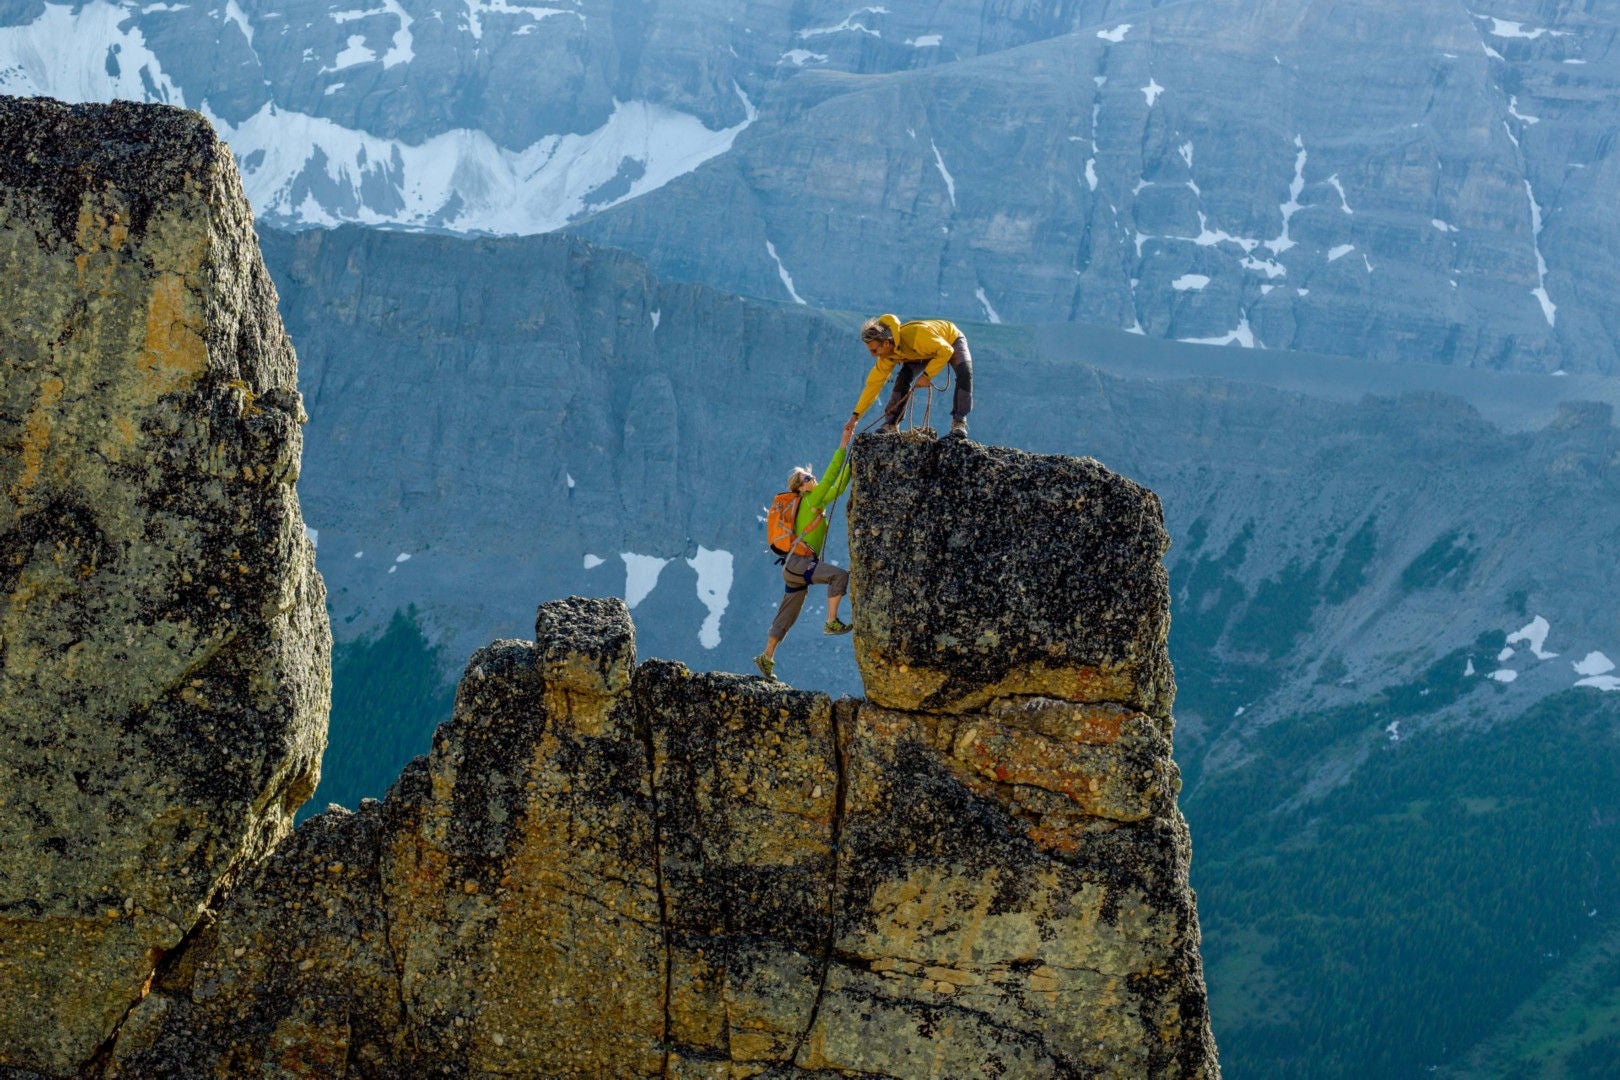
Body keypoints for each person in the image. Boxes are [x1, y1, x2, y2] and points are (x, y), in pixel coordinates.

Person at [754, 417, 858, 681]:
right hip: (800, 564)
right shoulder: (811, 500)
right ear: (800, 488)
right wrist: (844, 445)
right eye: (808, 477)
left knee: (787, 614)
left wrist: (854, 466)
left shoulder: (810, 501)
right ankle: (831, 622)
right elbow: (834, 476)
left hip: (792, 567)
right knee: (839, 576)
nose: (813, 478)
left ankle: (766, 657)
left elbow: (839, 485)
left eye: (810, 475)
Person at [851, 313, 973, 439]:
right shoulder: (887, 357)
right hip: (920, 353)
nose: (872, 355)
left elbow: (946, 350)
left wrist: (926, 375)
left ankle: (959, 422)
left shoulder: (917, 336)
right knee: (903, 379)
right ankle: (891, 424)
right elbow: (873, 386)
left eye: (874, 350)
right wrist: (855, 417)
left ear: (886, 343)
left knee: (965, 373)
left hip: (951, 341)